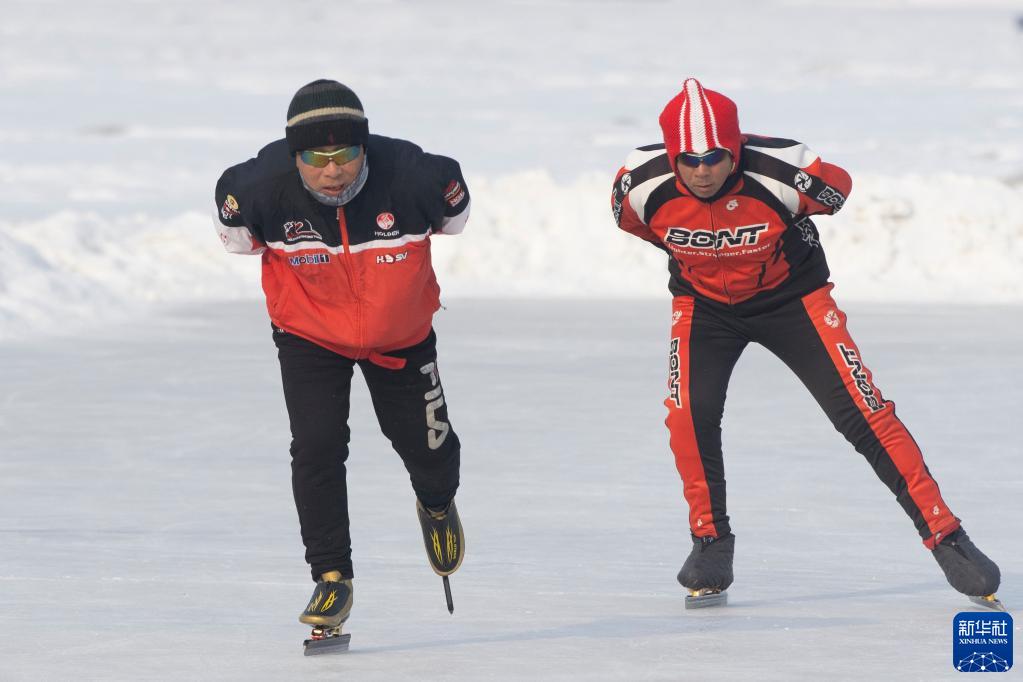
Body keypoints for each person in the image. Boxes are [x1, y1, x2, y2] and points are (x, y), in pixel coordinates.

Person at [611, 77, 1000, 606]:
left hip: (794, 301)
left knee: (866, 413)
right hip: (702, 308)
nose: (702, 171)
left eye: (715, 157)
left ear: (737, 148)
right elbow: (637, 225)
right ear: (671, 156)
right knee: (686, 414)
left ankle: (947, 536)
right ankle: (710, 541)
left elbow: (837, 189)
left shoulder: (784, 173)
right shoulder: (637, 185)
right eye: (689, 160)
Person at [214, 79, 468, 638]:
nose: (332, 171)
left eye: (346, 155)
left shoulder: (417, 176)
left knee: (429, 449)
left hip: (399, 334)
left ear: (365, 148)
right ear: (293, 156)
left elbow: (455, 218)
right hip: (310, 336)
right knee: (318, 445)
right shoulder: (257, 188)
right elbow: (234, 237)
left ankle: (436, 501)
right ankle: (332, 575)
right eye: (315, 158)